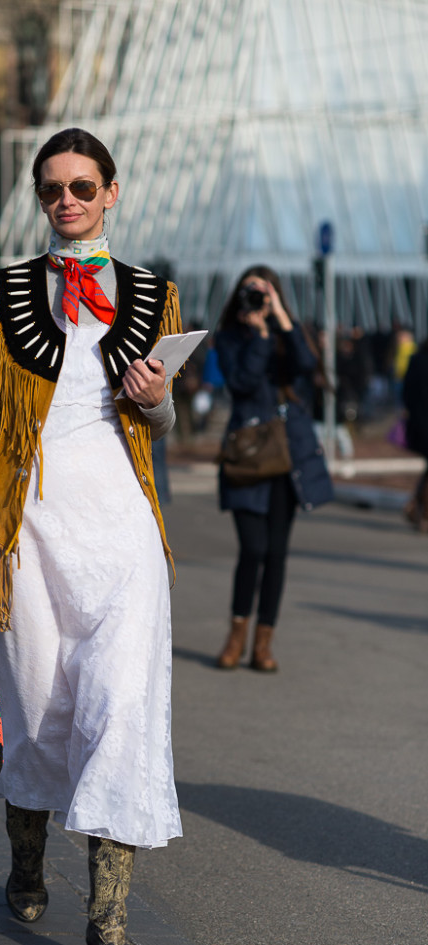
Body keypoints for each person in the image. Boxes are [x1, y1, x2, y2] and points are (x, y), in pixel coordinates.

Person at [0, 127, 183, 945]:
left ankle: (107, 926)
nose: (66, 200)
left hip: (121, 534)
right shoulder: (1, 290)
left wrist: (156, 406)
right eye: (51, 189)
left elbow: (163, 428)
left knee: (121, 713)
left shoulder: (155, 292)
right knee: (34, 709)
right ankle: (27, 861)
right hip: (28, 534)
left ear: (111, 191)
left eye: (82, 185)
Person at [214, 266, 333, 671]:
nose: (257, 300)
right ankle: (236, 638)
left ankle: (262, 644)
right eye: (250, 292)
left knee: (277, 554)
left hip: (289, 455)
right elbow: (242, 384)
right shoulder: (231, 338)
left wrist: (281, 320)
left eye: (264, 293)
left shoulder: (288, 332)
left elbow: (306, 368)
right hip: (249, 456)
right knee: (253, 549)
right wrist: (259, 335)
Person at [401, 337, 428, 532]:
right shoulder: (418, 361)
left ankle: (416, 506)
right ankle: (423, 513)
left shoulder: (416, 360)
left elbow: (405, 395)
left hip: (418, 424)